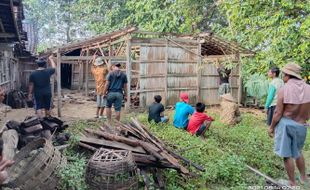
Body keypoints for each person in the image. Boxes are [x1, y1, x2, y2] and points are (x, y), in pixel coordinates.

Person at [268, 63, 310, 186]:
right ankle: (303, 178)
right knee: (298, 152)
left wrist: (271, 127)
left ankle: (292, 182)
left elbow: (277, 113)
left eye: (284, 74)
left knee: (287, 155)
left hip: (286, 124)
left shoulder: (284, 90)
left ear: (288, 75)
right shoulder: (308, 89)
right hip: (302, 125)